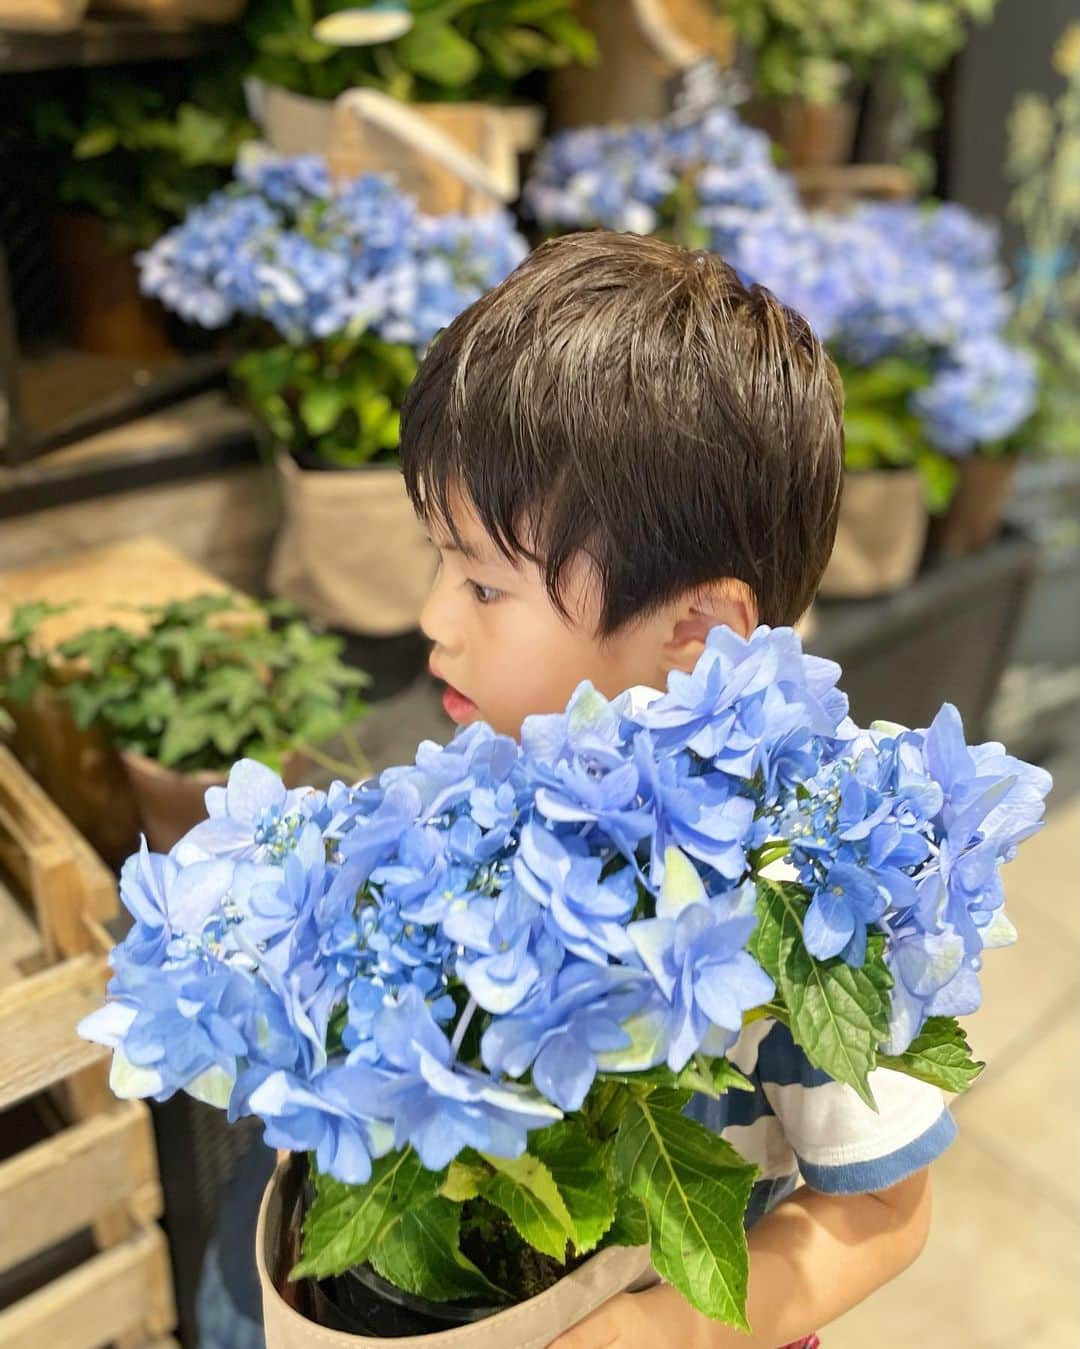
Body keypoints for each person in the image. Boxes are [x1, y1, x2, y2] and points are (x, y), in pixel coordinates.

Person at [398, 231, 955, 1349]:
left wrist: (671, 1331)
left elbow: (886, 1212)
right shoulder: (494, 775)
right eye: (435, 558)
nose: (431, 618)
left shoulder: (803, 889)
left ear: (695, 636)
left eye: (482, 583)